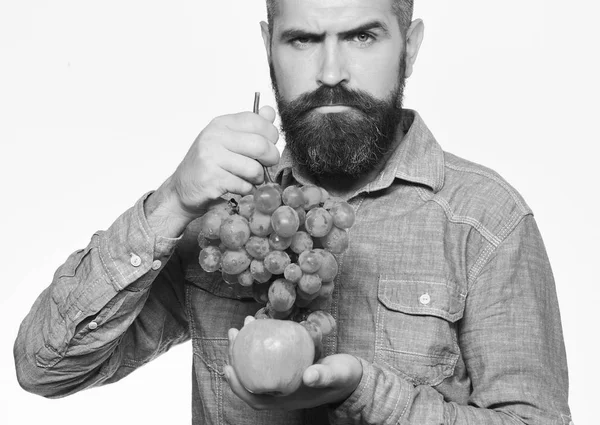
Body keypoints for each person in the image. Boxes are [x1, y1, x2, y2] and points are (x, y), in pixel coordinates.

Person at [14, 0, 573, 424]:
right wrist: (171, 204)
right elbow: (44, 366)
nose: (331, 72)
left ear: (412, 44)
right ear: (268, 47)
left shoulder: (486, 221)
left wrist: (366, 394)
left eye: (362, 36)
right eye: (303, 40)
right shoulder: (228, 218)